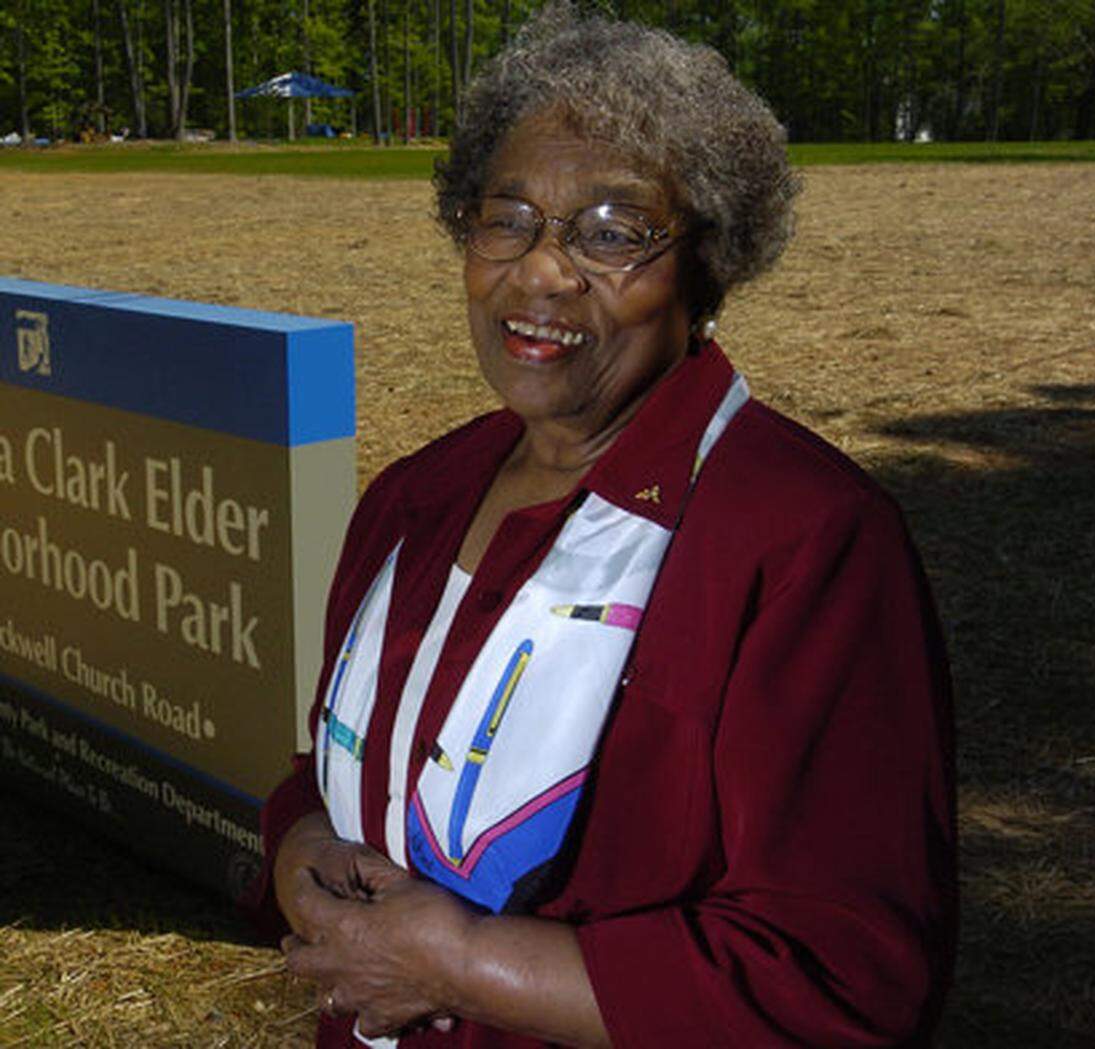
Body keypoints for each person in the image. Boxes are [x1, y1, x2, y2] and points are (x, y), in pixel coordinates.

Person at [250, 6, 957, 1047]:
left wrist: (464, 964)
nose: (542, 270)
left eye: (614, 233)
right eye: (509, 218)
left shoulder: (804, 541)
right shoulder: (412, 497)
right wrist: (299, 841)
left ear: (706, 271)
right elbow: (345, 766)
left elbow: (842, 977)